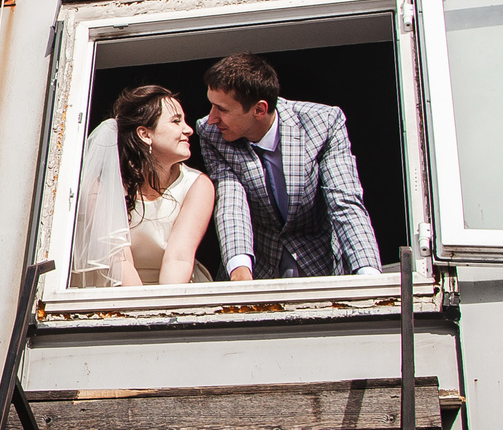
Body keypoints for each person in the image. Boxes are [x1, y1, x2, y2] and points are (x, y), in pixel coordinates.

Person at [195, 52, 384, 281]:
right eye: (211, 106)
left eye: (221, 109)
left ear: (259, 110)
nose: (212, 117)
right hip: (258, 267)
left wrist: (369, 275)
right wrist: (240, 270)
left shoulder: (323, 122)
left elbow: (344, 201)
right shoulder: (210, 133)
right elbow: (231, 200)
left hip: (319, 265)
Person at [71, 83, 217, 287]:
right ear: (145, 134)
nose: (189, 129)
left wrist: (162, 311)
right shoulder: (100, 187)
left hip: (175, 291)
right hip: (121, 293)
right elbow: (119, 261)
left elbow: (179, 257)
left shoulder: (197, 185)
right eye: (176, 121)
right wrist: (140, 313)